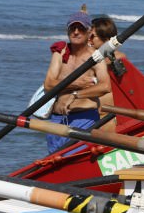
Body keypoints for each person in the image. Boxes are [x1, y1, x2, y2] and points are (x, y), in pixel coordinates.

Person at [43, 10, 111, 153]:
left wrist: (75, 95)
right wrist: (76, 84)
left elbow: (105, 86)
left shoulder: (95, 56)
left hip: (84, 118)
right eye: (72, 28)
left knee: (75, 160)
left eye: (80, 28)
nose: (76, 32)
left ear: (89, 32)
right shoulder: (60, 52)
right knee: (54, 162)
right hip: (57, 118)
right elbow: (49, 85)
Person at [90, 15, 126, 131]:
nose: (88, 39)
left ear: (105, 39)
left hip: (107, 118)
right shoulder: (88, 59)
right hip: (91, 117)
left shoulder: (117, 59)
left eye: (92, 36)